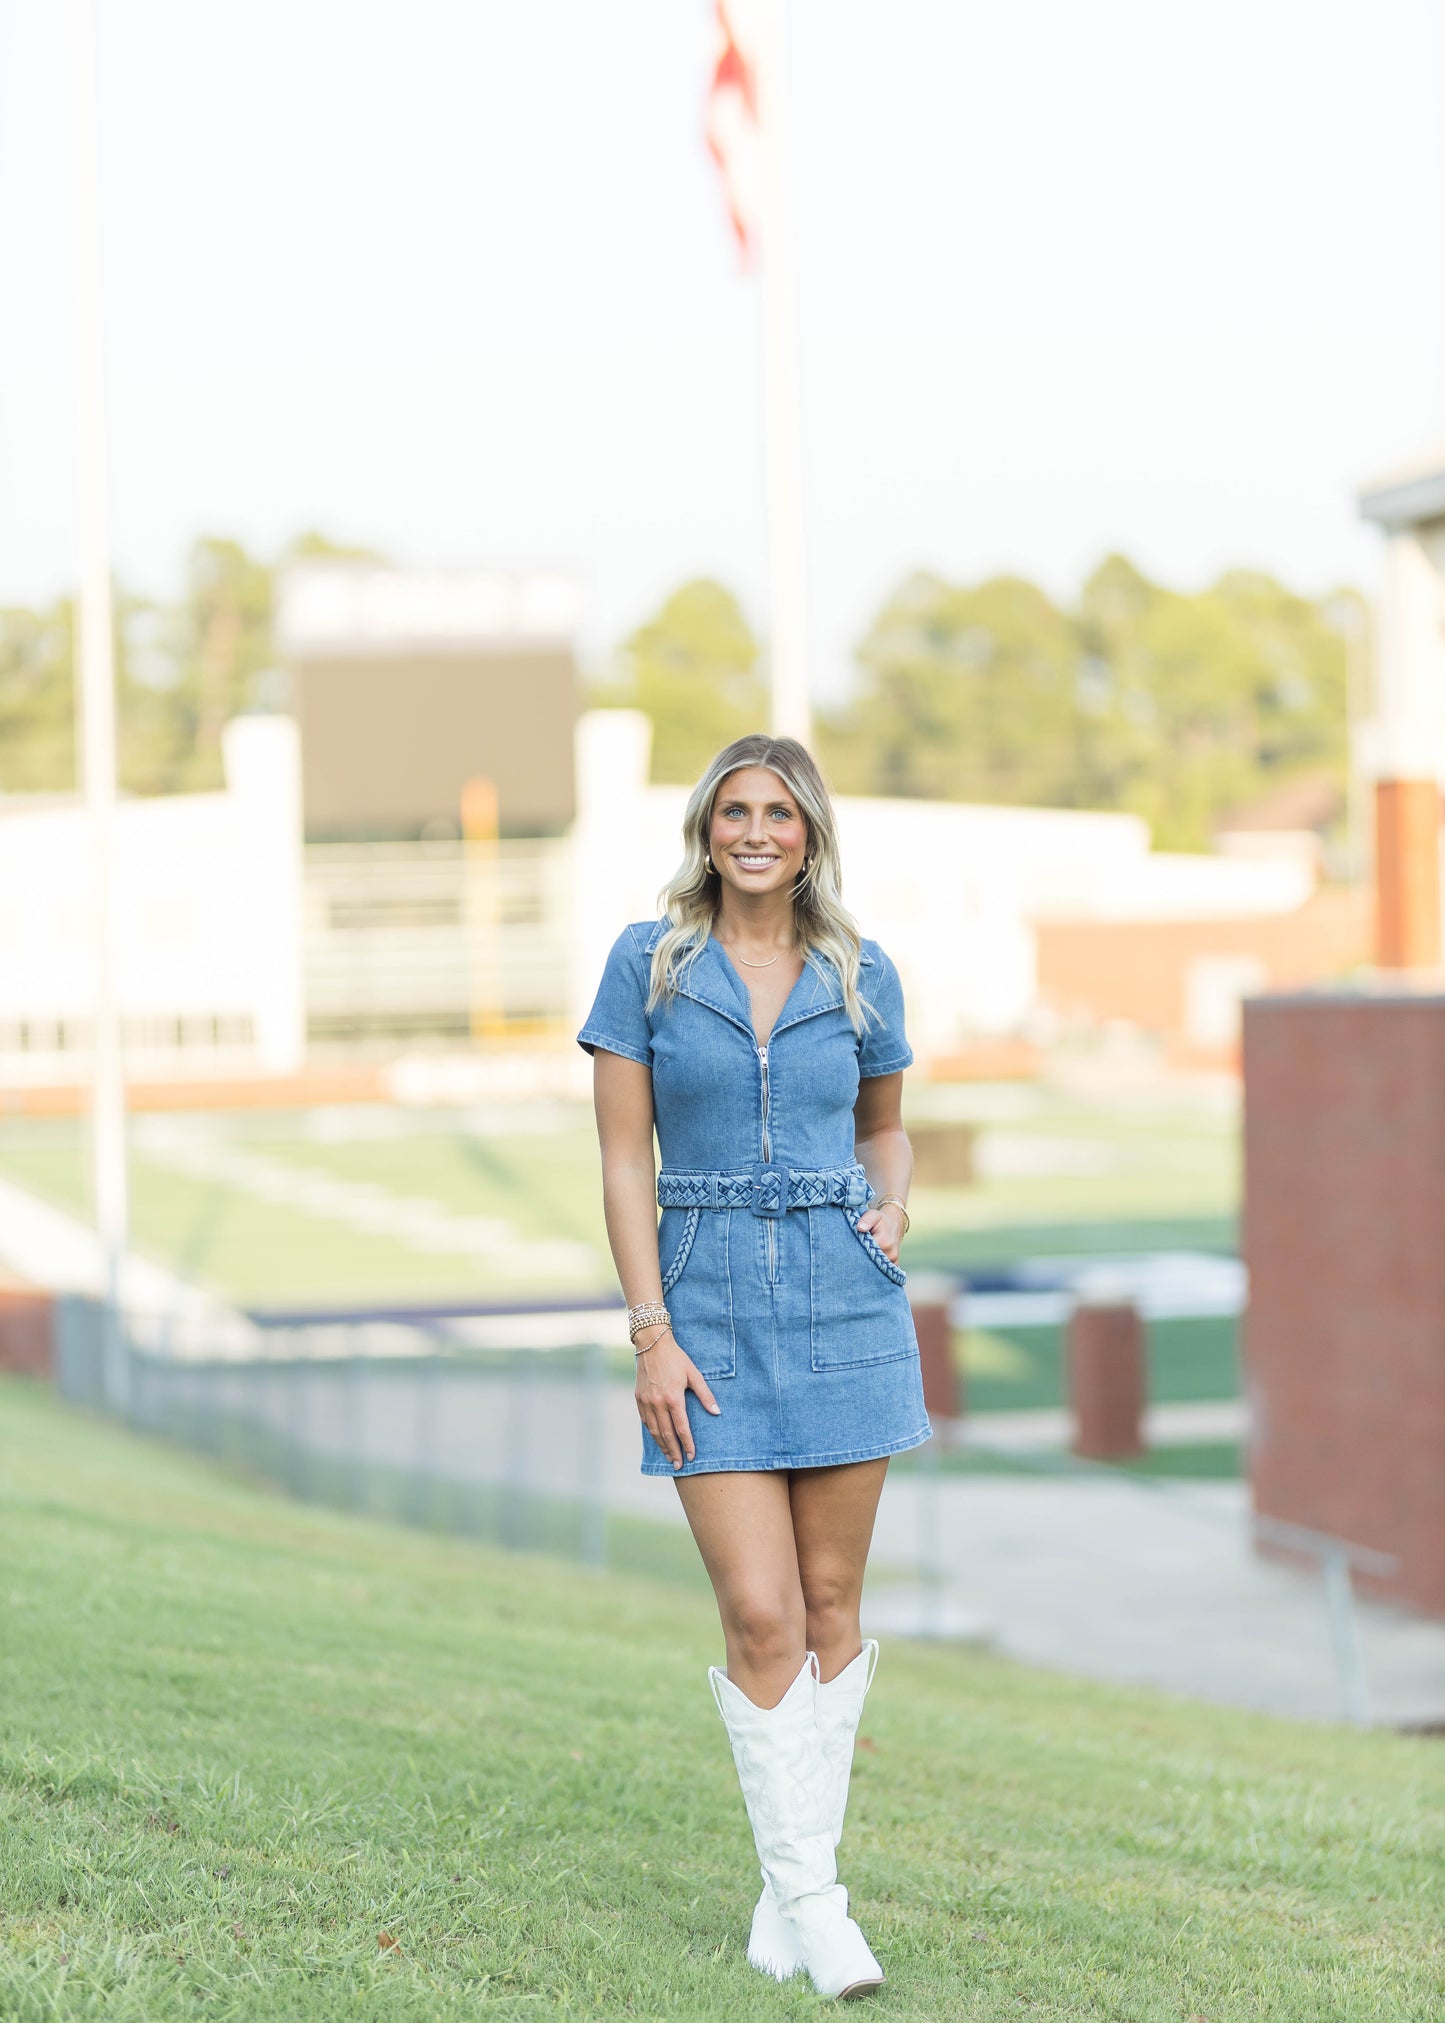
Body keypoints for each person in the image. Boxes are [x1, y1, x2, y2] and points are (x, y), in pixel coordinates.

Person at [578, 733, 931, 2000]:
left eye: (779, 811)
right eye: (735, 809)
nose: (756, 831)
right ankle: (820, 1904)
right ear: (705, 827)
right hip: (708, 1316)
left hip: (847, 1309)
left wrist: (890, 1209)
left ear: (810, 831)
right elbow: (626, 1160)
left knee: (832, 1609)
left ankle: (791, 1895)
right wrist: (649, 1330)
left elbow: (883, 1130)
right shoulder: (650, 964)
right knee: (762, 1615)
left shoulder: (860, 968)